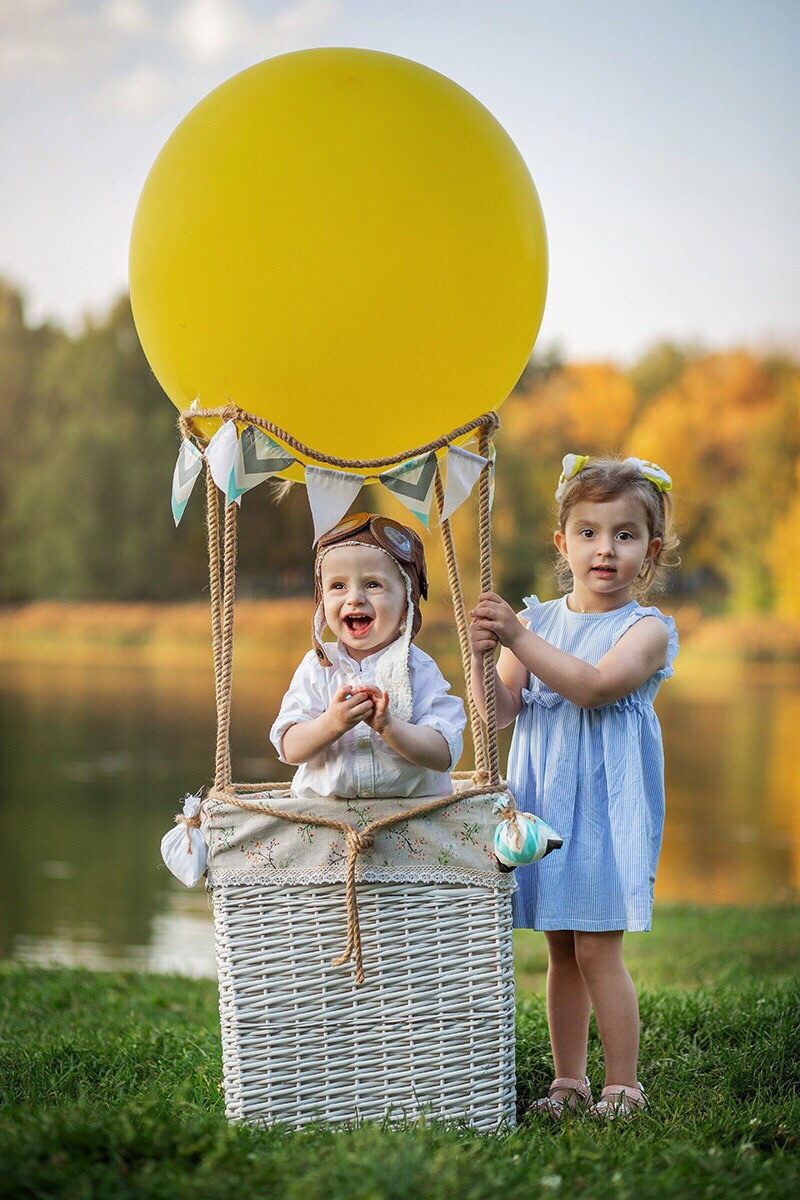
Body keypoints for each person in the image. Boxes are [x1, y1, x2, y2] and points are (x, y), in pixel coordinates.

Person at [469, 454, 680, 1121]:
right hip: (546, 804)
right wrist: (481, 659)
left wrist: (517, 638)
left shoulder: (645, 631)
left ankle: (623, 1084)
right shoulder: (538, 623)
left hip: (607, 811)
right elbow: (502, 710)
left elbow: (590, 688)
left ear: (650, 553)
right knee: (559, 945)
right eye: (588, 532)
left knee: (597, 945)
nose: (606, 549)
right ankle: (569, 1081)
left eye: (624, 535)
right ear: (563, 544)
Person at [271, 512, 466, 800]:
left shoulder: (418, 667)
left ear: (406, 604)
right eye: (338, 586)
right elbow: (289, 747)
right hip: (327, 818)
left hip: (409, 820)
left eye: (373, 584)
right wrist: (333, 723)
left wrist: (390, 727)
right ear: (322, 601)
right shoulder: (318, 667)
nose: (354, 598)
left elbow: (444, 752)